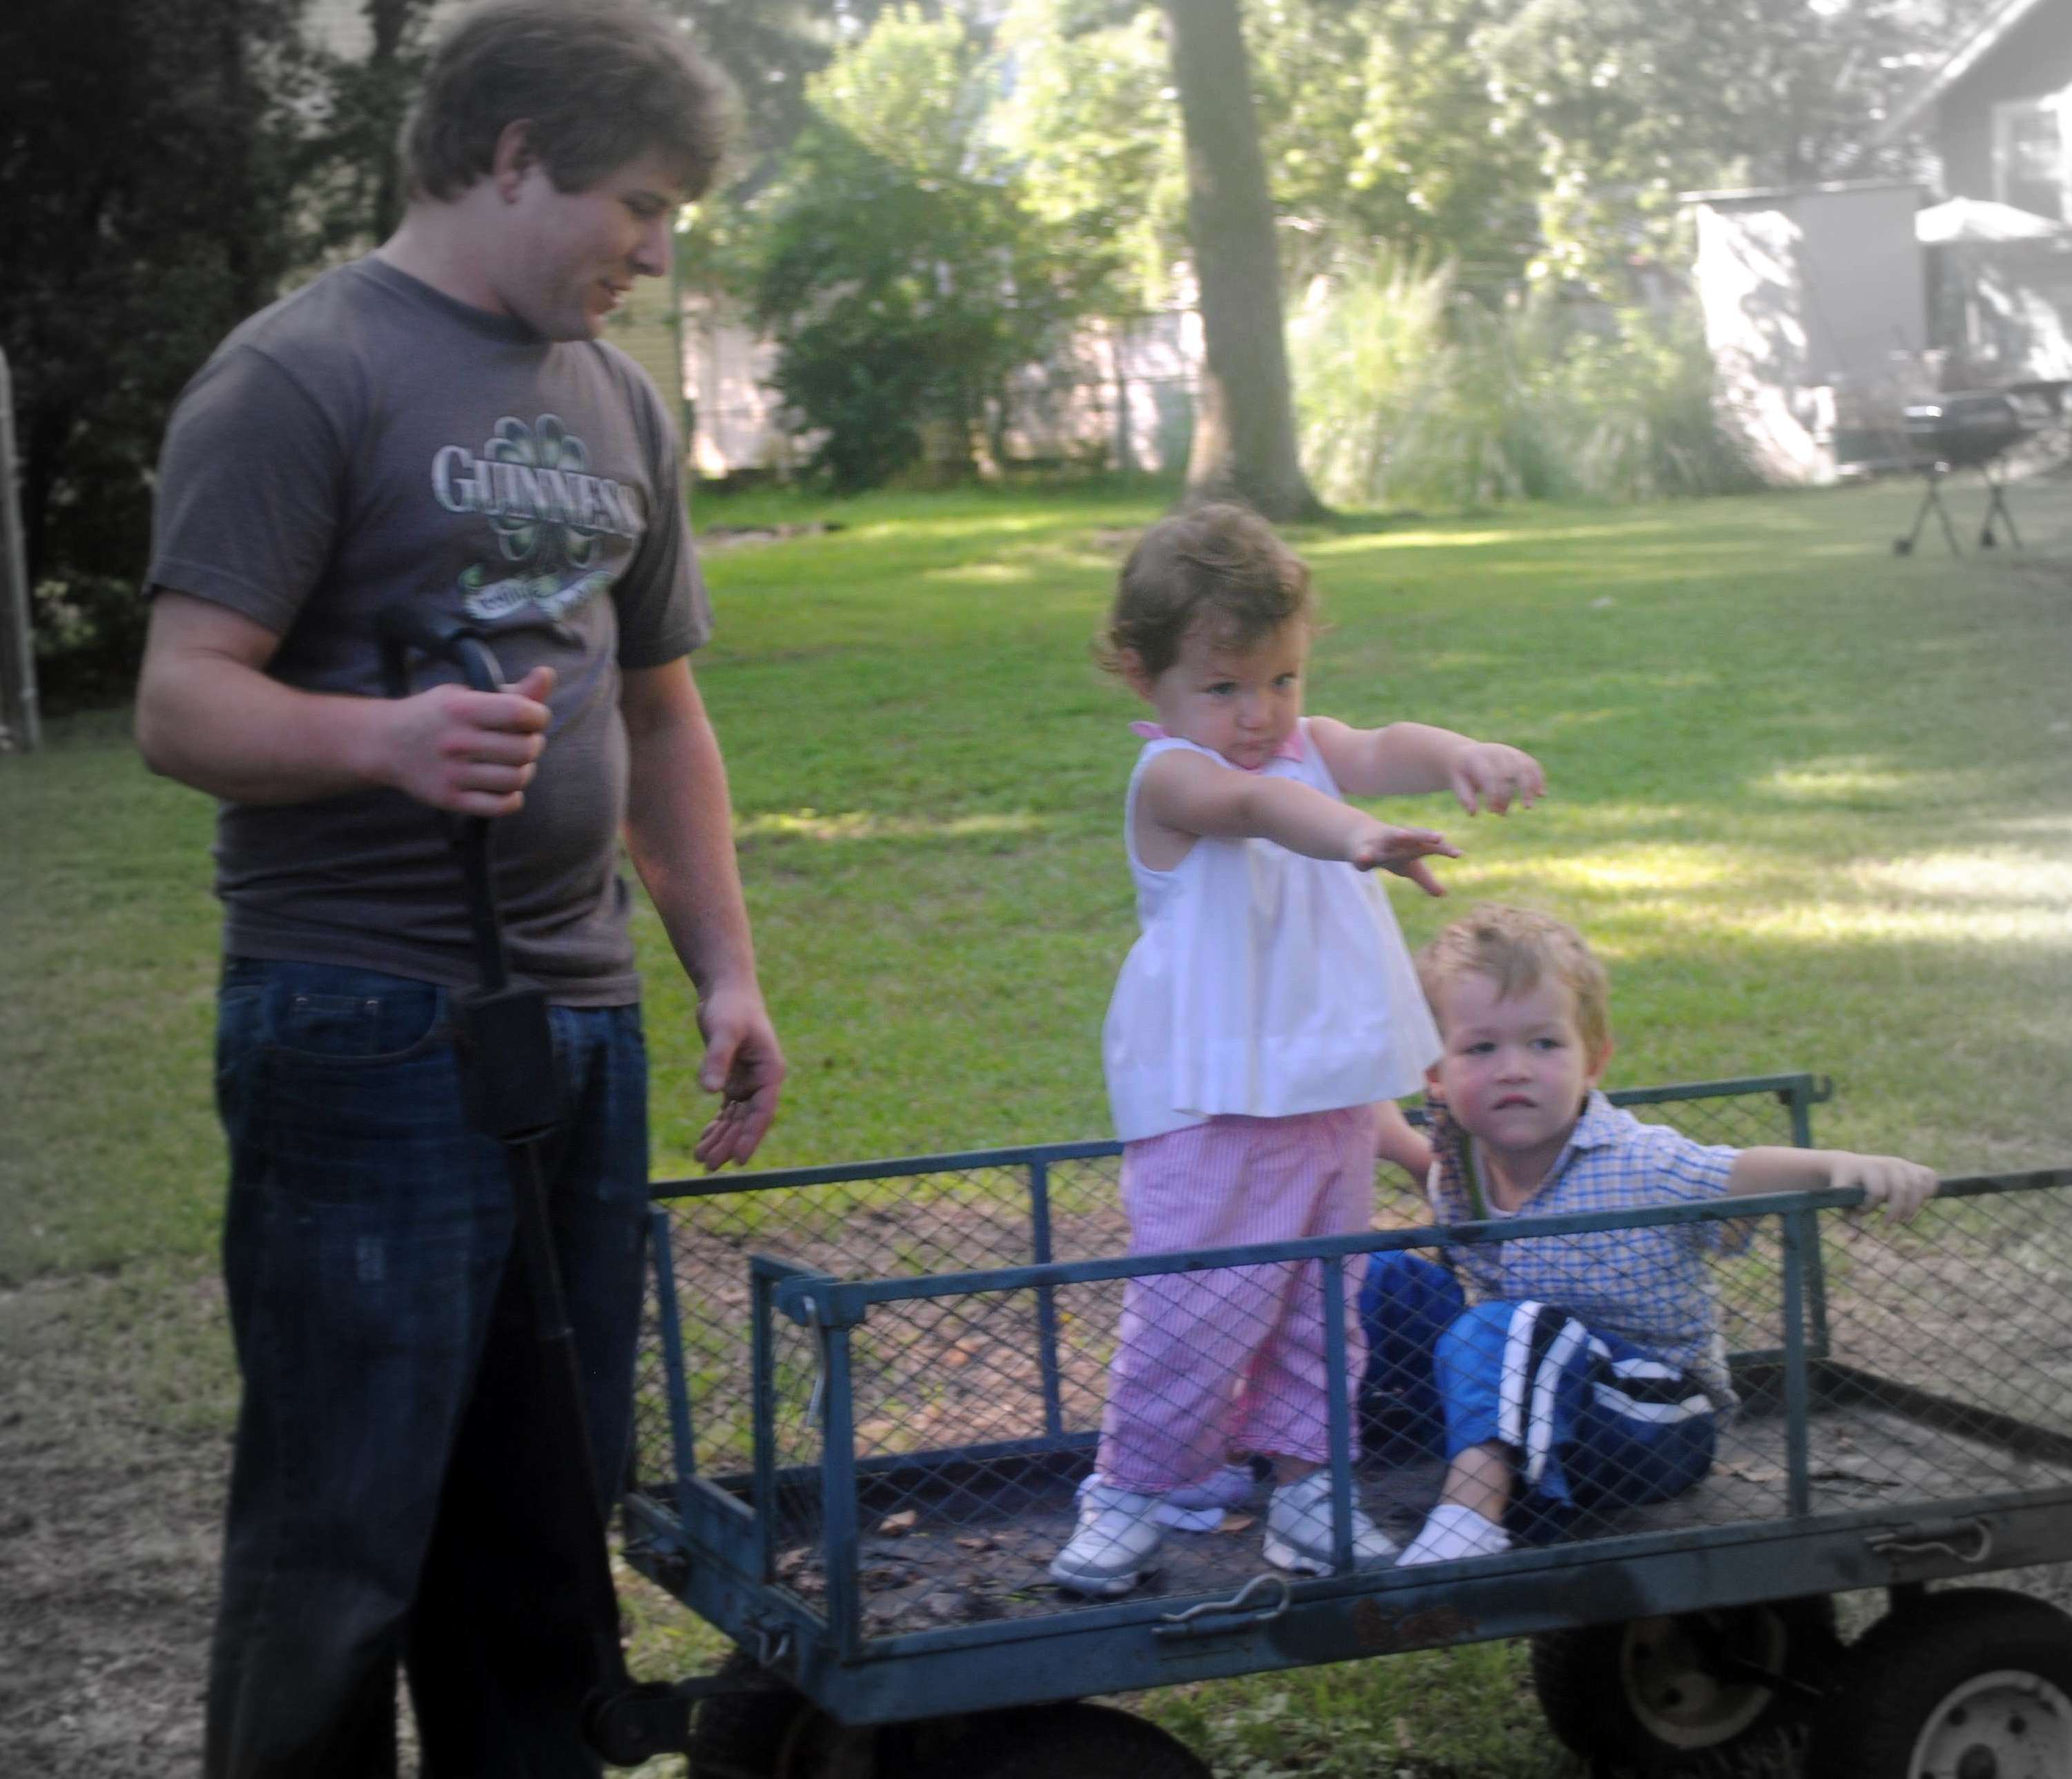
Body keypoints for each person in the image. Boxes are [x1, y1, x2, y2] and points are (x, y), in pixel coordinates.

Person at [132, 3, 783, 1773]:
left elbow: (658, 709)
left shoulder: (616, 399)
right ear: (512, 155)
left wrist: (722, 969)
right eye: (637, 206)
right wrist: (386, 741)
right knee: (345, 1526)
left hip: (577, 1019)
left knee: (542, 1513)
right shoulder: (302, 373)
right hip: (362, 1017)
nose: (654, 254)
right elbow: (181, 701)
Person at [1048, 504, 1546, 1596]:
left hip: (1321, 1094)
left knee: (1326, 1308)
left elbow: (1380, 745)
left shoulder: (1306, 748)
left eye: (1282, 679)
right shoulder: (1174, 778)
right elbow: (1256, 806)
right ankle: (1128, 1491)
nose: (1260, 713)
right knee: (1196, 1306)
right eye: (1223, 687)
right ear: (1143, 674)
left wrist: (1458, 755)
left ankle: (1312, 1487)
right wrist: (1355, 835)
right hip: (1208, 1104)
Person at [1363, 905, 1939, 1567]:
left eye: (1544, 1044)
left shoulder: (1640, 1162)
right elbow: (1415, 1152)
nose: (1513, 1068)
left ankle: (1469, 1519)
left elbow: (1736, 1172)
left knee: (1502, 1323)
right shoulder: (1457, 1171)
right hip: (1527, 1400)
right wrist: (1378, 1124)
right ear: (1435, 1074)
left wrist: (1839, 1166)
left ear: (1593, 1061)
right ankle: (1313, 1458)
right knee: (1385, 1279)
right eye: (1480, 1048)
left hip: (1650, 1421)